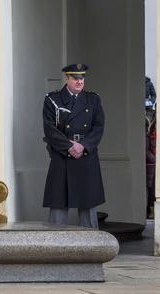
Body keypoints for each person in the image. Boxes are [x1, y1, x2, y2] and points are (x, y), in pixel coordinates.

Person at [42, 63, 106, 228]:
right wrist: (68, 146)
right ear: (67, 78)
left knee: (88, 203)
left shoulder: (93, 99)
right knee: (58, 203)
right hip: (62, 155)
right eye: (75, 78)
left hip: (86, 155)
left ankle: (92, 245)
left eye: (82, 78)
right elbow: (50, 129)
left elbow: (98, 127)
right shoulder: (53, 99)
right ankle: (55, 246)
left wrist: (83, 146)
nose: (79, 82)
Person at [145, 105, 157, 219]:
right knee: (151, 191)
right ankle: (151, 211)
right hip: (152, 166)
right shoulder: (150, 134)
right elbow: (146, 150)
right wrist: (156, 159)